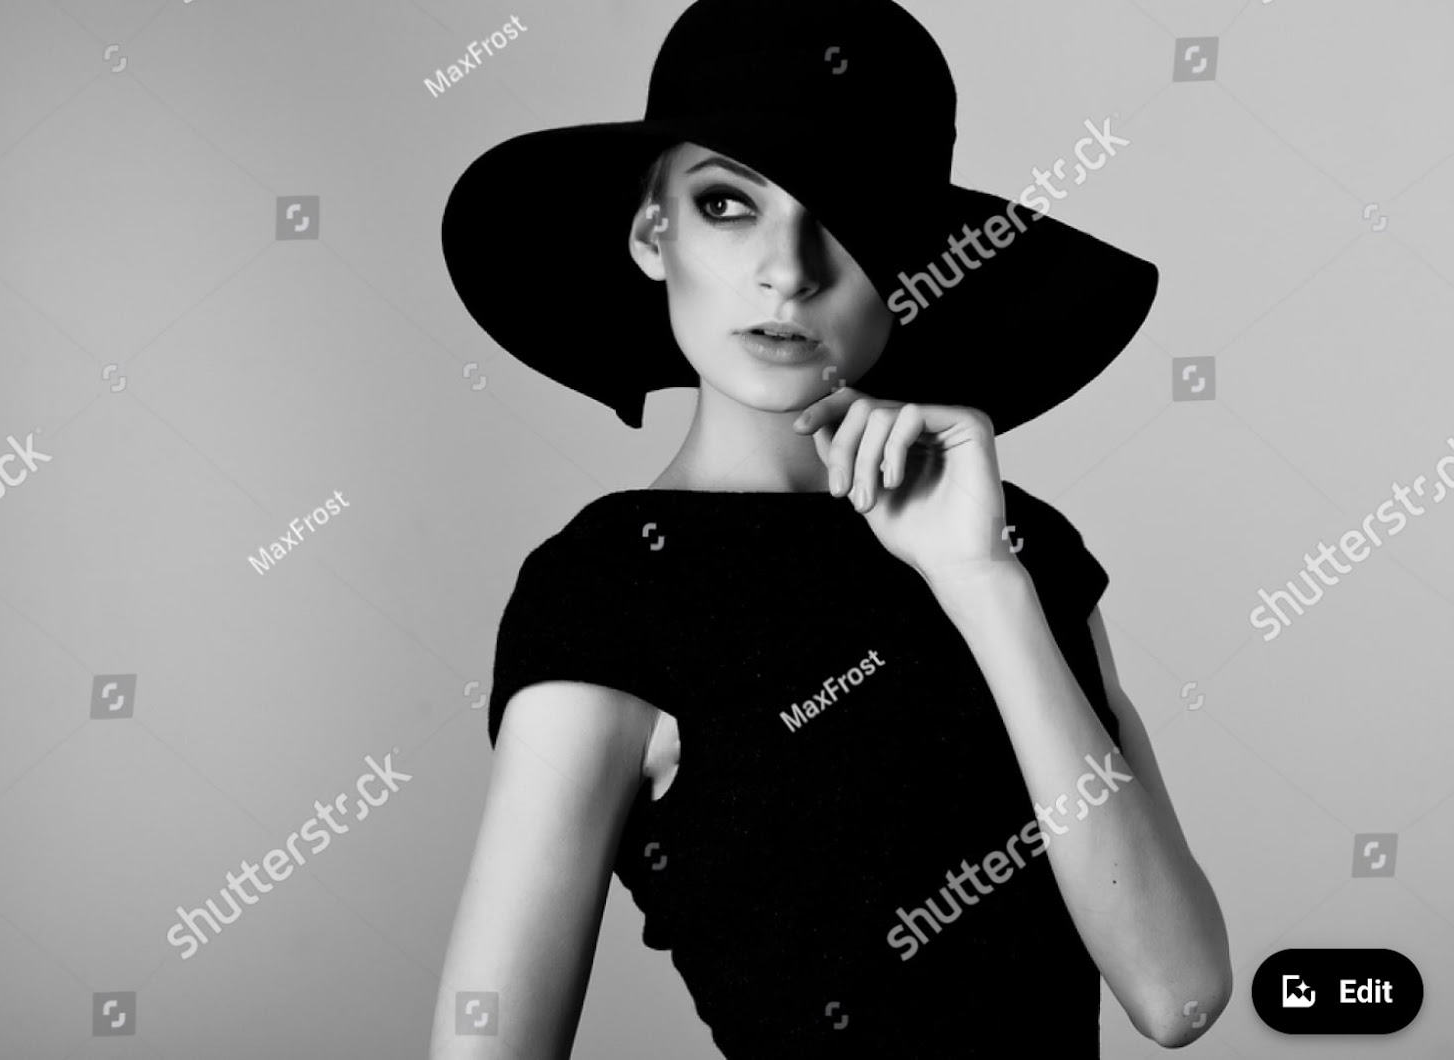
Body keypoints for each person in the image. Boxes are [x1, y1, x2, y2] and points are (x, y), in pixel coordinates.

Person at [432, 1, 1232, 1056]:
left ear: (917, 260)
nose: (788, 269)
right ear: (649, 232)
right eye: (727, 204)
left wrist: (979, 580)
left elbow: (1179, 993)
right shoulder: (608, 591)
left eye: (847, 215)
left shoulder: (1012, 543)